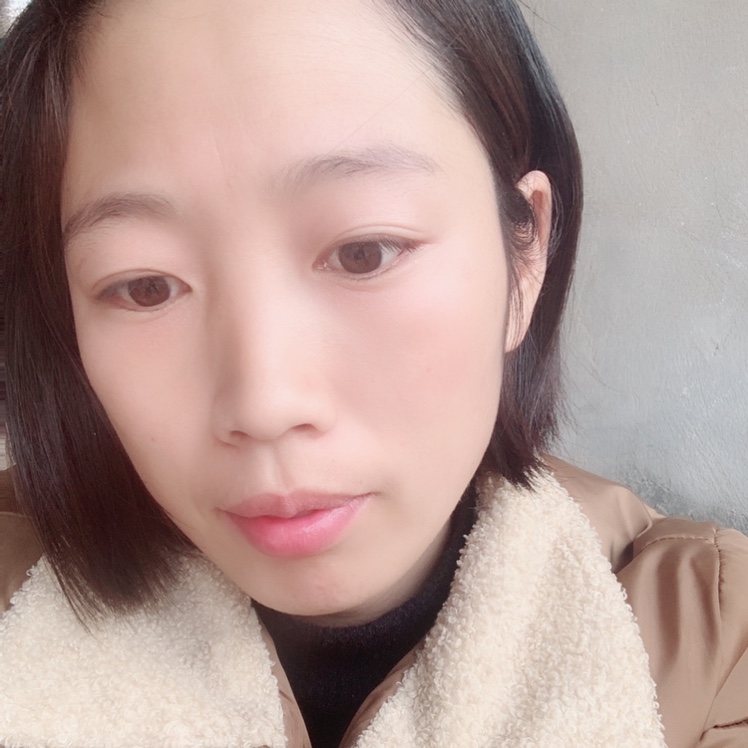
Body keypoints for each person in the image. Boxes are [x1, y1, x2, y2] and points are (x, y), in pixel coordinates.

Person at [0, 0, 746, 746]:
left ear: (524, 259)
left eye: (365, 253)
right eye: (145, 287)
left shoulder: (716, 646)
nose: (264, 403)